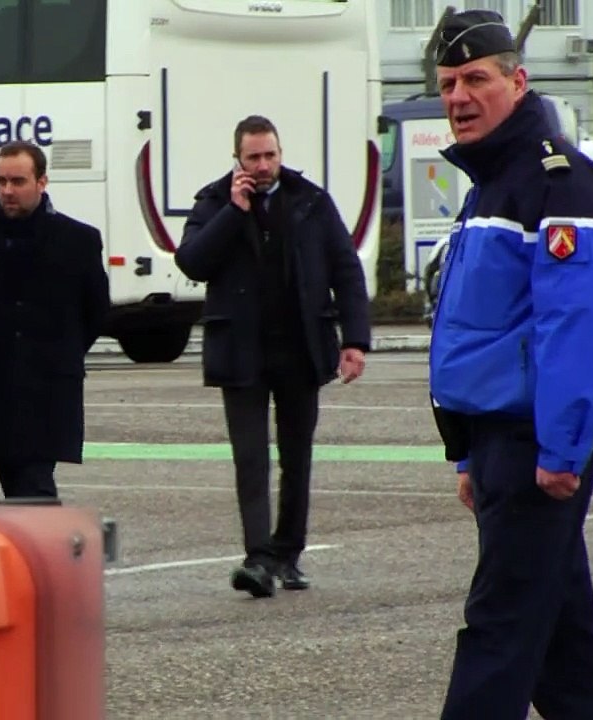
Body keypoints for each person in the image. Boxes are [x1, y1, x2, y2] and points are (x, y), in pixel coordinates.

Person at [426, 11, 593, 718]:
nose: (459, 97)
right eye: (447, 83)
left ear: (518, 80)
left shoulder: (557, 181)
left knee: (499, 632)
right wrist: (463, 454)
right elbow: (478, 331)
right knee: (566, 658)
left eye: (476, 78)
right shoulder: (490, 184)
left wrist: (562, 447)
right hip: (498, 439)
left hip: (537, 438)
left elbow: (580, 326)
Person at [174, 115, 371, 598]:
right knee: (250, 458)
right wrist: (234, 213)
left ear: (280, 153)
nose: (263, 166)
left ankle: (288, 553)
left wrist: (355, 341)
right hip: (240, 349)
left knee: (296, 456)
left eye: (270, 155)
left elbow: (345, 270)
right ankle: (258, 557)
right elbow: (192, 261)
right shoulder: (215, 201)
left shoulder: (311, 201)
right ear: (237, 160)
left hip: (299, 346)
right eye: (253, 158)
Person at [0, 140, 109, 498]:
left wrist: (60, 349)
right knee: (15, 481)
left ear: (42, 182)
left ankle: (44, 551)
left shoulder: (78, 240)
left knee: (35, 480)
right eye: (1, 181)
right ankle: (38, 550)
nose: (8, 190)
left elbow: (96, 308)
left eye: (18, 181)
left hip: (50, 383)